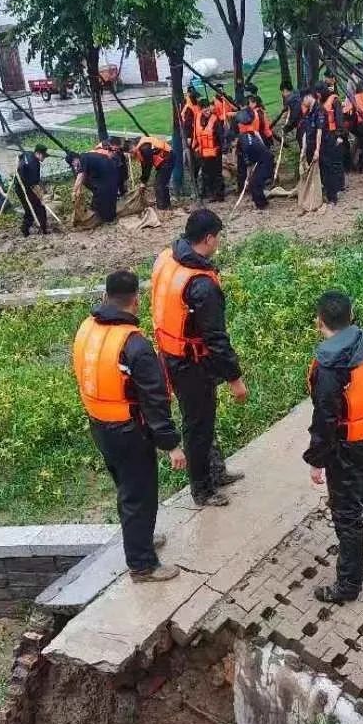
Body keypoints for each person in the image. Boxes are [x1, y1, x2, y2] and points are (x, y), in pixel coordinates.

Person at [72, 270, 186, 583]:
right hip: (129, 432)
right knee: (139, 496)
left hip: (99, 425)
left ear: (106, 297)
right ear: (136, 300)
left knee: (127, 491)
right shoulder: (134, 345)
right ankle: (142, 565)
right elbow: (155, 400)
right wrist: (171, 444)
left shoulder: (87, 328)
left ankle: (141, 541)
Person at [151, 209, 248, 507]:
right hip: (191, 364)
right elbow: (216, 338)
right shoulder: (201, 284)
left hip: (172, 354)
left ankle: (215, 470)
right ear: (208, 239)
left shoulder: (167, 257)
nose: (219, 243)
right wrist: (235, 379)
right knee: (197, 426)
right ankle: (202, 489)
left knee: (204, 420)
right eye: (217, 238)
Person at [304, 290, 363, 604]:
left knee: (346, 515)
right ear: (351, 316)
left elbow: (325, 419)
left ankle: (348, 586)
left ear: (320, 322)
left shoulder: (329, 366)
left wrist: (317, 460)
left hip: (345, 447)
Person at [66, 147, 122, 223]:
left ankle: (106, 218)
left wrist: (74, 192)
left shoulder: (83, 159)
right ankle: (104, 217)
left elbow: (80, 176)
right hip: (105, 173)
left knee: (105, 195)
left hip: (108, 173)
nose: (74, 165)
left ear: (75, 158)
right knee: (103, 194)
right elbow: (82, 178)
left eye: (73, 162)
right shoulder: (85, 157)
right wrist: (78, 190)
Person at [314, 82, 345, 205]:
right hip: (326, 135)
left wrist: (339, 135)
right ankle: (333, 187)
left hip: (334, 134)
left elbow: (339, 119)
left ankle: (339, 185)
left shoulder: (334, 101)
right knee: (329, 163)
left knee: (336, 162)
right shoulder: (320, 103)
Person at [235, 113, 274, 209]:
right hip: (262, 160)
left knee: (254, 182)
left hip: (265, 161)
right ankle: (261, 202)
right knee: (254, 182)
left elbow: (248, 159)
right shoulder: (250, 134)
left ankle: (261, 205)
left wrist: (249, 172)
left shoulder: (245, 139)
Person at [132, 135, 174, 210]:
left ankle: (162, 208)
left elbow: (148, 167)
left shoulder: (145, 149)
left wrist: (143, 183)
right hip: (166, 159)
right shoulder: (141, 149)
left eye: (131, 151)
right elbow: (144, 166)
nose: (132, 154)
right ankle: (167, 205)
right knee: (162, 183)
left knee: (159, 184)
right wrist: (143, 181)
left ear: (135, 145)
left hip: (168, 159)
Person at [16, 144, 49, 236]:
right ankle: (42, 230)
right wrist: (40, 195)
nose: (44, 158)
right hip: (24, 188)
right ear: (38, 153)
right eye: (43, 156)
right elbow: (34, 182)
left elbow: (20, 157)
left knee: (33, 208)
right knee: (36, 208)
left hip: (23, 186)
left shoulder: (29, 154)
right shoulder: (34, 164)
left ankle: (37, 228)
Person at [195, 104, 225, 202]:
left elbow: (221, 136)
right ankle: (209, 193)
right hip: (203, 153)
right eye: (205, 111)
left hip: (215, 152)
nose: (207, 113)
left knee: (217, 174)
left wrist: (222, 148)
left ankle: (219, 195)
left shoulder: (215, 120)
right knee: (206, 174)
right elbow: (196, 134)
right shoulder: (198, 119)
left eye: (208, 110)